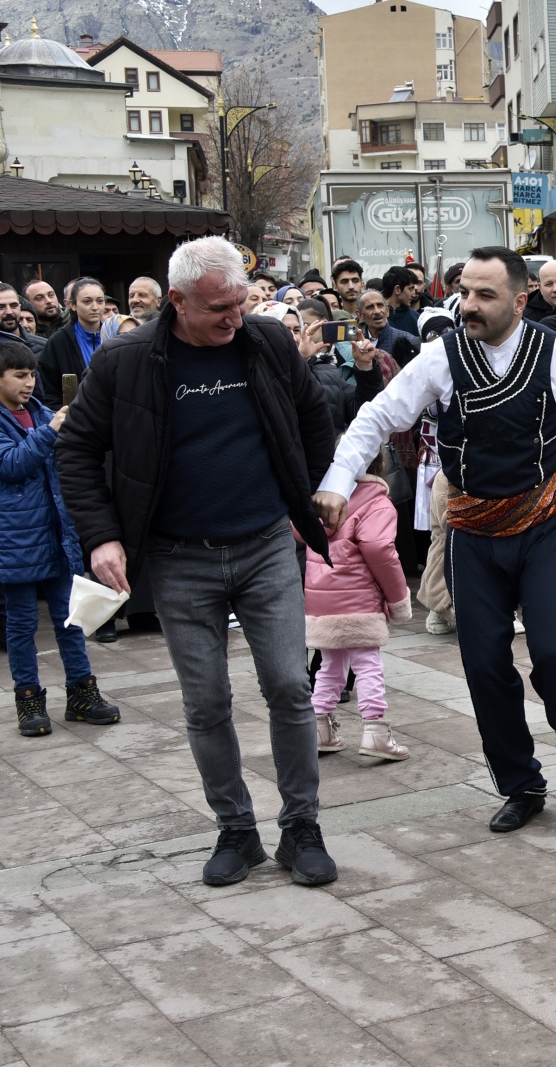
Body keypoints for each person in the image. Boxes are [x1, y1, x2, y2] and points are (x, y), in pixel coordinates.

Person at [57, 236, 339, 887]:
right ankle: (236, 830)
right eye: (219, 309)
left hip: (266, 543)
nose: (234, 318)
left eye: (241, 303)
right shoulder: (126, 361)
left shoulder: (266, 343)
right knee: (207, 699)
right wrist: (101, 537)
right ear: (177, 301)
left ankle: (302, 826)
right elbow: (75, 451)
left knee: (290, 685)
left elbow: (312, 414)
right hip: (178, 558)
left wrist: (327, 484)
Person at [315, 245, 556, 836]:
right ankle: (520, 783)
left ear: (520, 299)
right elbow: (378, 417)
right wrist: (336, 480)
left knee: (555, 654)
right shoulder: (441, 356)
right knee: (483, 662)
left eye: (485, 294)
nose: (470, 306)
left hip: (547, 523)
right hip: (473, 531)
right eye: (465, 293)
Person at [0, 342, 119, 736]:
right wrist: (50, 433)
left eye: (31, 374)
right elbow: (11, 465)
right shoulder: (36, 422)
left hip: (56, 534)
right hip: (14, 541)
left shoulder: (45, 413)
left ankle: (81, 693)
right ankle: (29, 699)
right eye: (19, 375)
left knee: (70, 620)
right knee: (20, 625)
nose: (28, 382)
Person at [305, 452, 413, 760]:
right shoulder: (376, 503)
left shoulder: (322, 501)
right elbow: (381, 550)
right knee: (368, 665)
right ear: (380, 466)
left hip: (320, 598)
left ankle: (320, 729)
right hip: (359, 600)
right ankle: (375, 731)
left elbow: (298, 530)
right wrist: (397, 598)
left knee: (329, 664)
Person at [37, 277, 105, 408]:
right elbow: (48, 392)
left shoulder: (116, 336)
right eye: (87, 301)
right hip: (76, 419)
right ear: (72, 305)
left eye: (100, 301)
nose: (95, 307)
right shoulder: (58, 342)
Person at [381, 266, 422, 336]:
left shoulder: (416, 318)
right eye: (410, 289)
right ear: (397, 289)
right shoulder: (376, 316)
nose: (413, 294)